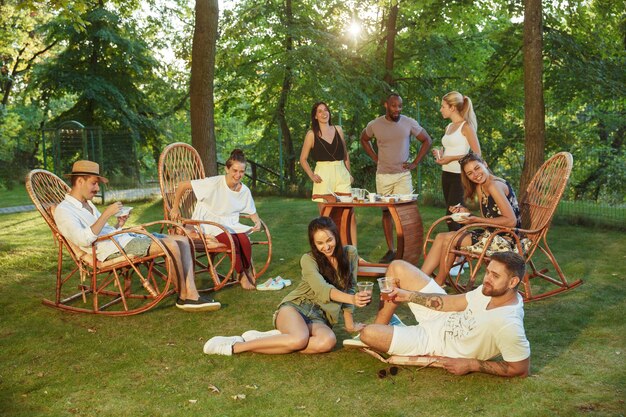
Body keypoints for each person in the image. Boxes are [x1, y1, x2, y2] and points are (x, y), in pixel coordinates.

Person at [54, 160, 220, 312]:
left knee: (183, 240)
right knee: (170, 245)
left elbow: (103, 231)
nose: (97, 188)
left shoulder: (87, 204)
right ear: (80, 181)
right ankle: (185, 296)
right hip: (113, 249)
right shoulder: (64, 211)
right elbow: (83, 239)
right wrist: (105, 215)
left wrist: (119, 224)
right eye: (94, 183)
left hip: (123, 238)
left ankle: (192, 293)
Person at [202, 216, 371, 356]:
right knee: (299, 339)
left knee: (327, 341)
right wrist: (353, 299)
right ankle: (236, 346)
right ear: (314, 244)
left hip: (321, 318)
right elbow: (323, 289)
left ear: (336, 236)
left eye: (329, 240)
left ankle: (281, 338)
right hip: (296, 307)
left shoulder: (350, 254)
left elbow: (350, 286)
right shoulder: (308, 259)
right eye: (320, 243)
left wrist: (349, 324)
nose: (326, 247)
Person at [357, 252, 531, 378]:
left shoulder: (508, 324)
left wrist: (471, 364)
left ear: (513, 282)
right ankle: (383, 325)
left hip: (433, 342)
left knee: (368, 333)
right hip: (443, 317)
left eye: (494, 275)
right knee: (398, 266)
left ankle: (380, 333)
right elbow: (452, 303)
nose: (486, 279)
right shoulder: (488, 291)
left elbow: (520, 368)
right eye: (487, 272)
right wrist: (408, 295)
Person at [421, 152, 521, 286]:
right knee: (441, 236)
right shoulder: (481, 186)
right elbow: (488, 217)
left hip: (506, 239)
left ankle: (438, 283)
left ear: (484, 164)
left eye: (477, 168)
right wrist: (466, 213)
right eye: (469, 173)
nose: (475, 174)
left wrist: (474, 220)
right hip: (493, 234)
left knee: (450, 240)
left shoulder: (494, 185)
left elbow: (511, 221)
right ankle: (420, 278)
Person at [170, 149, 264, 290]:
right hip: (209, 222)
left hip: (230, 222)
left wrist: (257, 221)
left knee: (244, 241)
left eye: (242, 172)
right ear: (226, 169)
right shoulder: (214, 183)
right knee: (231, 241)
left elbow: (252, 212)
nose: (238, 175)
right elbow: (183, 185)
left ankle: (245, 271)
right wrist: (175, 207)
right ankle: (242, 275)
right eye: (234, 170)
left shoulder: (244, 190)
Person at [360, 93, 433, 263]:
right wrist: (374, 157)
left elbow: (427, 140)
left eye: (400, 106)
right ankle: (391, 250)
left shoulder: (408, 122)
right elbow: (364, 139)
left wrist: (415, 163)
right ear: (386, 105)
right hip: (383, 176)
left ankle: (406, 251)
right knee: (386, 213)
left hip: (402, 176)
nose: (397, 109)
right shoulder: (375, 124)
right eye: (394, 106)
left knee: (405, 213)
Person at [434, 91, 481, 232]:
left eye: (443, 106)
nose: (441, 109)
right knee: (457, 214)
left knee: (451, 216)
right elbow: (452, 148)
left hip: (459, 176)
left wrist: (452, 158)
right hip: (446, 174)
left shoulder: (466, 126)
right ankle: (464, 249)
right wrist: (442, 155)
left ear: (452, 107)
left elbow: (477, 154)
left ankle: (457, 249)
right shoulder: (448, 127)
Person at [299, 101, 353, 210]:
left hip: (341, 172)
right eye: (320, 111)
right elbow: (303, 159)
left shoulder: (338, 129)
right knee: (326, 214)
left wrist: (349, 174)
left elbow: (345, 154)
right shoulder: (311, 134)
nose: (324, 113)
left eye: (326, 110)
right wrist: (312, 175)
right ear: (315, 116)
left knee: (349, 213)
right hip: (323, 175)